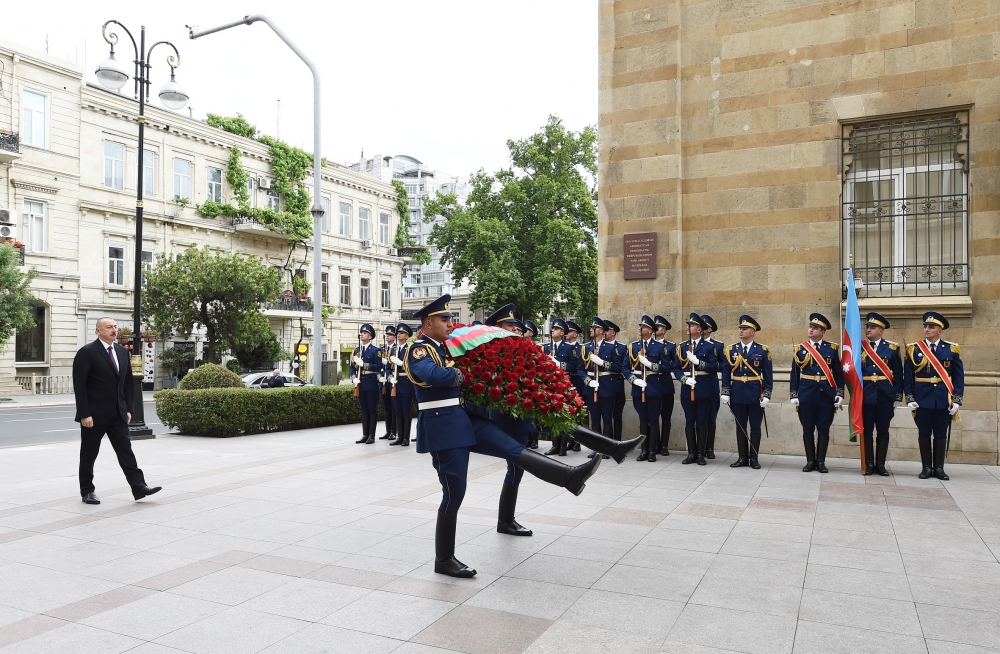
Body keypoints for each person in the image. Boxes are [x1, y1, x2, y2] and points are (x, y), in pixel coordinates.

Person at [403, 294, 601, 577]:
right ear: (428, 322)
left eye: (450, 318)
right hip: (442, 426)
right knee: (454, 493)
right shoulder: (420, 349)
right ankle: (444, 559)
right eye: (444, 319)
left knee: (511, 447)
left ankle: (569, 477)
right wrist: (458, 373)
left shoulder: (447, 348)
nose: (450, 323)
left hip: (463, 418)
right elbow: (433, 375)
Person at [72, 317, 161, 505]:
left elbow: (127, 383)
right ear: (98, 331)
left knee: (125, 451)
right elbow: (80, 386)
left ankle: (139, 487)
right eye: (109, 327)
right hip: (94, 415)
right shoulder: (86, 352)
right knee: (89, 453)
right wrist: (84, 414)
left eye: (115, 327)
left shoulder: (122, 352)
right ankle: (87, 490)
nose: (114, 330)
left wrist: (128, 408)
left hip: (117, 414)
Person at [484, 304, 536, 535]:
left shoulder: (519, 347)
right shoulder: (492, 351)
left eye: (515, 325)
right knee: (515, 467)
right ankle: (505, 521)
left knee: (517, 468)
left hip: (521, 415)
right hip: (506, 416)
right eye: (509, 325)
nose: (515, 329)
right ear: (497, 328)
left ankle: (506, 519)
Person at [904, 311, 963, 480]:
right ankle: (926, 468)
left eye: (932, 327)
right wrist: (909, 398)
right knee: (923, 433)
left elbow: (958, 377)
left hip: (943, 399)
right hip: (922, 399)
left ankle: (939, 468)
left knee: (940, 434)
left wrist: (957, 400)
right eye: (925, 326)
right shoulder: (913, 349)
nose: (927, 329)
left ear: (940, 331)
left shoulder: (951, 349)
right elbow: (908, 376)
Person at [790, 313, 845, 473]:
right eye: (810, 327)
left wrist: (840, 393)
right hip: (806, 395)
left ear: (823, 332)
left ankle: (821, 461)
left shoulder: (832, 349)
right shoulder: (799, 349)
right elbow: (794, 374)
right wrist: (794, 394)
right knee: (807, 429)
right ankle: (810, 461)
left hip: (826, 396)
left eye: (815, 328)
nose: (811, 330)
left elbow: (838, 374)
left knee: (823, 429)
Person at [721, 315, 772, 469]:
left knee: (755, 427)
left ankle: (754, 458)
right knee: (740, 427)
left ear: (752, 332)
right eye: (740, 328)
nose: (741, 331)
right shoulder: (731, 350)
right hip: (737, 393)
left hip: (755, 394)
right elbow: (725, 373)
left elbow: (768, 376)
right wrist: (725, 392)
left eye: (745, 329)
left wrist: (767, 395)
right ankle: (742, 458)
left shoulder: (762, 350)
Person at [674, 313, 720, 465]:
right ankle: (691, 453)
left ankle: (700, 454)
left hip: (703, 388)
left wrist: (698, 362)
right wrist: (684, 379)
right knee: (689, 421)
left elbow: (714, 367)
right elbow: (676, 367)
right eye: (688, 325)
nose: (688, 328)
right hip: (687, 388)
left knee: (701, 420)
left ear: (699, 329)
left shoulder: (709, 347)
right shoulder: (681, 347)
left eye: (691, 325)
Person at [861, 312, 903, 476]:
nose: (869, 329)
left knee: (883, 431)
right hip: (866, 395)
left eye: (872, 327)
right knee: (867, 431)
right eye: (868, 327)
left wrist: (898, 396)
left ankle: (881, 464)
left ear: (881, 330)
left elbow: (899, 374)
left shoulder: (892, 349)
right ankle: (869, 463)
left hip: (886, 396)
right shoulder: (860, 347)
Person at [626, 315, 666, 462]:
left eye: (642, 327)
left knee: (653, 420)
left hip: (654, 388)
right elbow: (625, 368)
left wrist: (650, 365)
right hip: (638, 388)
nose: (640, 329)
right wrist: (634, 380)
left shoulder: (659, 347)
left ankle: (652, 451)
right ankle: (643, 450)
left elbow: (667, 367)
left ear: (650, 330)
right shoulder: (633, 346)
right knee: (643, 420)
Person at [584, 317, 620, 459]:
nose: (592, 330)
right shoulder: (586, 348)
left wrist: (603, 363)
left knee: (606, 418)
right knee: (594, 419)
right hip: (592, 386)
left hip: (606, 386)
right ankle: (596, 448)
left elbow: (618, 367)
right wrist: (588, 381)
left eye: (594, 328)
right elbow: (581, 369)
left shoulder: (611, 348)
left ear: (601, 331)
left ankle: (606, 447)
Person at [542, 319, 577, 456]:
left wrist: (559, 364)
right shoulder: (546, 347)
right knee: (552, 414)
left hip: (563, 384)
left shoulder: (569, 348)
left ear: (562, 332)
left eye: (556, 329)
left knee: (563, 415)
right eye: (552, 329)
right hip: (551, 384)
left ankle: (563, 446)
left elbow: (574, 366)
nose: (552, 331)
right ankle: (554, 445)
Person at [351, 324, 384, 444]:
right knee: (364, 410)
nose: (361, 334)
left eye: (364, 333)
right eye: (361, 333)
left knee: (371, 410)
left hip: (371, 384)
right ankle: (365, 435)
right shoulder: (357, 350)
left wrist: (364, 365)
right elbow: (352, 367)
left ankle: (371, 435)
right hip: (360, 383)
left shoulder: (376, 350)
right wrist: (353, 377)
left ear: (370, 336)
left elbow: (379, 366)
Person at [701, 315, 725, 459]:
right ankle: (698, 448)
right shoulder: (690, 344)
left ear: (709, 329)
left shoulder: (718, 345)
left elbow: (724, 365)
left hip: (711, 385)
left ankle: (709, 447)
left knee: (711, 418)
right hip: (696, 386)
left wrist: (711, 366)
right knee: (698, 419)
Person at [653, 315, 677, 456]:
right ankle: (655, 444)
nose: (656, 329)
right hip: (653, 385)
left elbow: (676, 364)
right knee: (653, 416)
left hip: (666, 385)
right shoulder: (647, 345)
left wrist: (664, 366)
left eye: (659, 327)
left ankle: (664, 445)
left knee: (666, 417)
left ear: (664, 330)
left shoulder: (671, 346)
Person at [389, 323, 414, 447]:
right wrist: (390, 378)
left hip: (406, 383)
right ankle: (399, 437)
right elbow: (388, 368)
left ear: (407, 336)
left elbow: (413, 367)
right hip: (395, 383)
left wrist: (402, 364)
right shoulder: (394, 349)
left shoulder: (410, 349)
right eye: (398, 333)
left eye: (402, 333)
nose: (399, 334)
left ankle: (406, 438)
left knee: (405, 411)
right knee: (398, 411)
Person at [605, 320, 628, 443]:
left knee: (617, 415)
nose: (604, 332)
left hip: (617, 385)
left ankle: (617, 442)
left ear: (612, 333)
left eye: (606, 330)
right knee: (606, 416)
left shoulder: (622, 347)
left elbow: (623, 367)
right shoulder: (600, 347)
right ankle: (607, 442)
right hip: (604, 386)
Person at [564, 320, 585, 452]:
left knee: (577, 412)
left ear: (575, 334)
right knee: (567, 412)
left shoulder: (580, 348)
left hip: (577, 381)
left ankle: (577, 441)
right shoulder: (564, 347)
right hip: (566, 381)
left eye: (570, 331)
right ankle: (568, 440)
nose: (567, 333)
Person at [522, 319, 540, 449]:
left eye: (527, 330)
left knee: (534, 413)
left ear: (532, 334)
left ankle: (535, 439)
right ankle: (527, 437)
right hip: (523, 381)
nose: (524, 332)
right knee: (525, 410)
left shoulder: (536, 347)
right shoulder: (521, 345)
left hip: (533, 381)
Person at [379, 326, 397, 441]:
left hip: (392, 382)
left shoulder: (396, 349)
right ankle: (387, 431)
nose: (387, 336)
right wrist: (379, 376)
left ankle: (393, 431)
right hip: (383, 381)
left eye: (389, 335)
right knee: (386, 407)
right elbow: (377, 366)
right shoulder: (382, 350)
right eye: (386, 335)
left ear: (394, 337)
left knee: (394, 407)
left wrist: (388, 362)